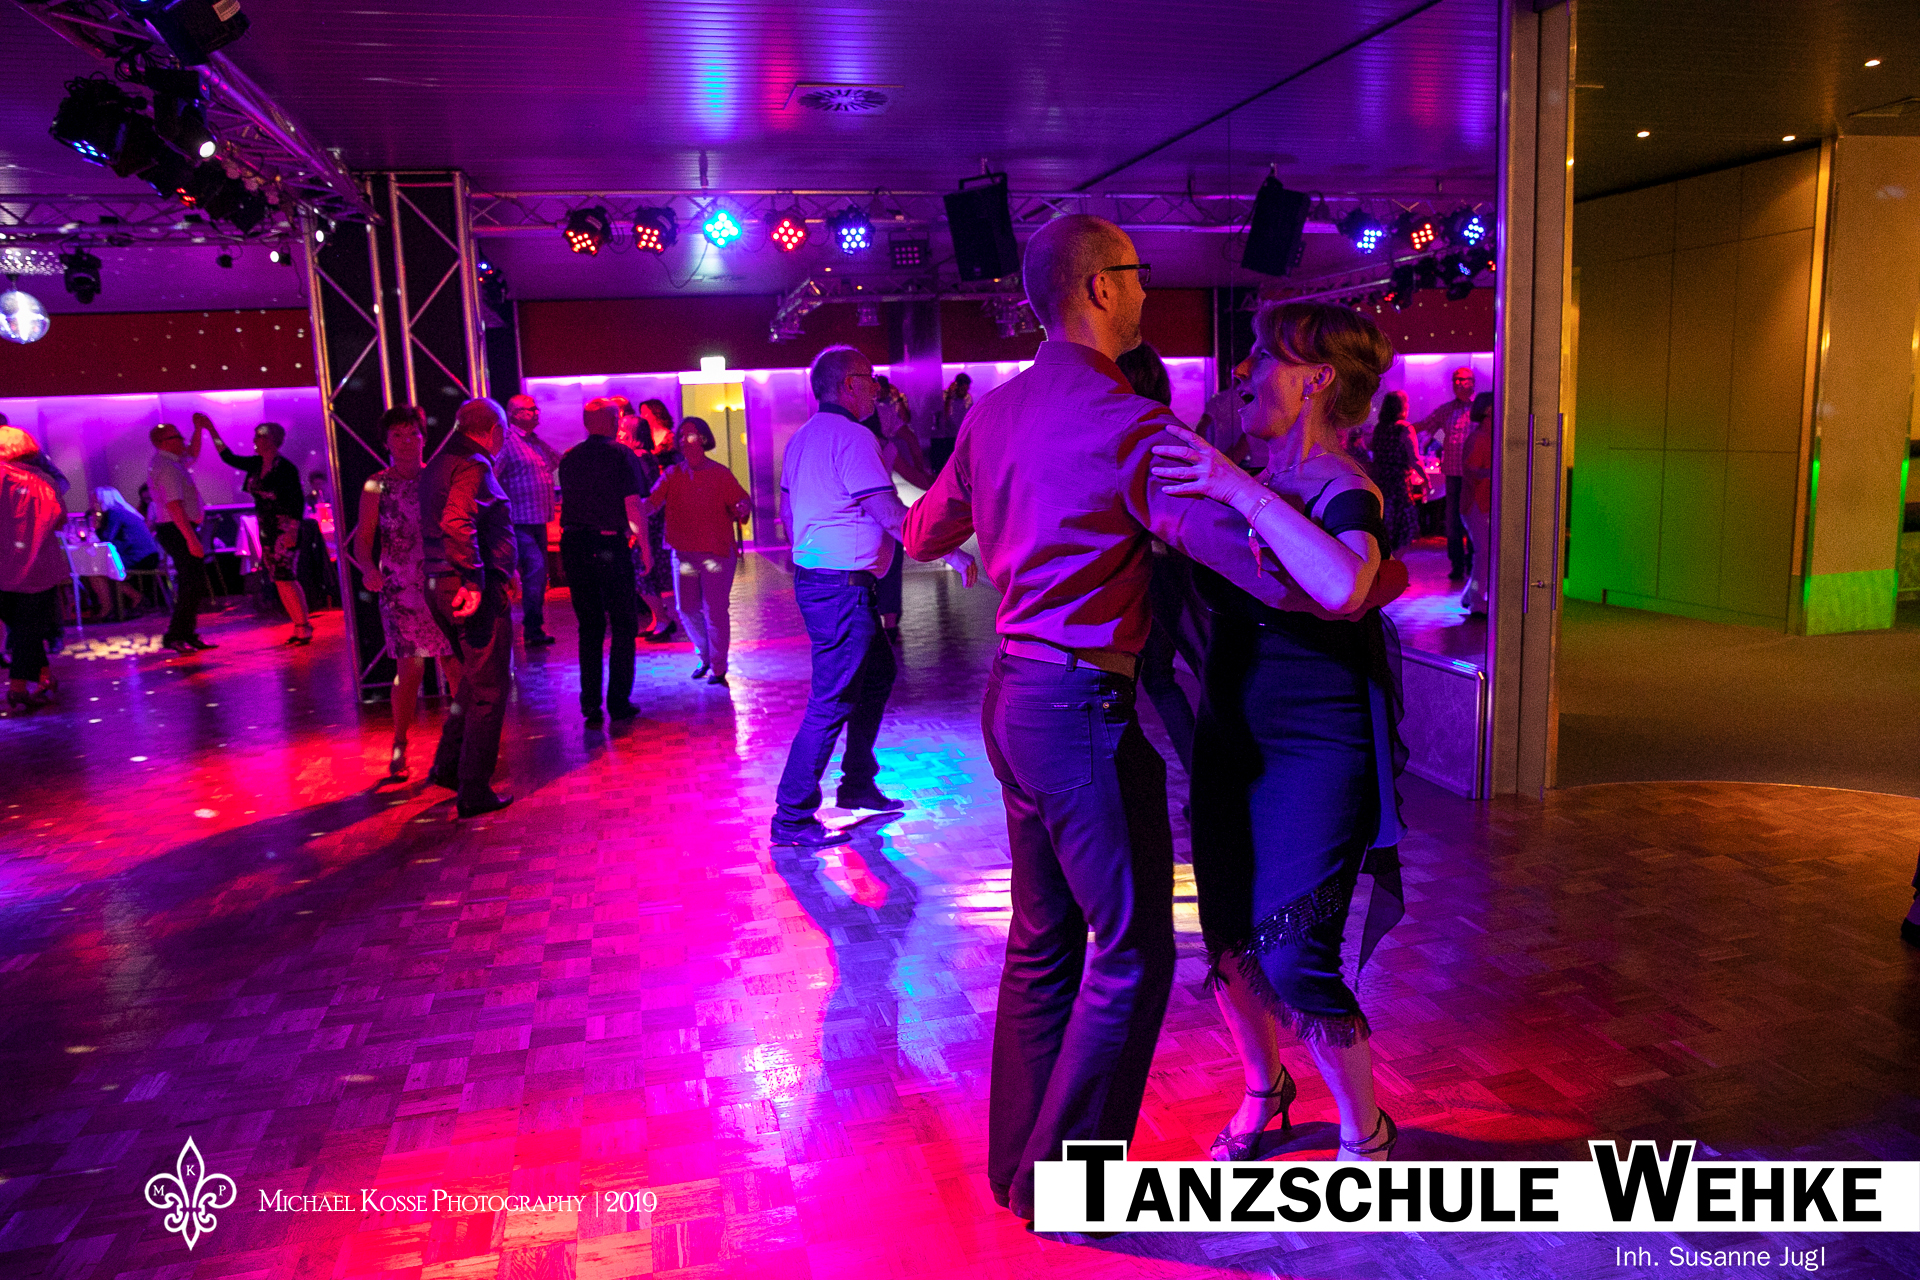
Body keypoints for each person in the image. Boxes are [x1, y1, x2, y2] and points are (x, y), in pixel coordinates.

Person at [900, 215, 1397, 1220]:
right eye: (1135, 274)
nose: (1144, 290)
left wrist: (1014, 533)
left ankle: (1018, 1169)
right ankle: (1061, 1183)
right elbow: (1264, 571)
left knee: (1043, 944)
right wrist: (1360, 579)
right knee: (1131, 952)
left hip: (1012, 699)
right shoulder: (1127, 422)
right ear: (1098, 288)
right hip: (1080, 707)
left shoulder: (993, 413)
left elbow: (920, 534)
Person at [1148, 299, 1410, 1165]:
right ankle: (1265, 1088)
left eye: (1264, 356)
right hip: (1231, 733)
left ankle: (1365, 1128)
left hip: (1317, 745)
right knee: (1225, 932)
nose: (1244, 371)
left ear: (1317, 380)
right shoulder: (1244, 473)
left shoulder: (1346, 485)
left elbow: (1342, 585)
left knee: (1296, 954)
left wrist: (1234, 486)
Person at [771, 346, 977, 848]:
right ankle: (792, 816)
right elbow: (889, 513)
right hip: (841, 590)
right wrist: (950, 554)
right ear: (848, 385)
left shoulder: (803, 438)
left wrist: (817, 554)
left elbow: (788, 512)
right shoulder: (853, 437)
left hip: (826, 583)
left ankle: (857, 784)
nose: (877, 389)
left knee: (877, 673)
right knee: (831, 701)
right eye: (870, 379)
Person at [345, 406, 459, 780]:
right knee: (409, 670)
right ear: (386, 442)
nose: (407, 442)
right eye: (398, 435)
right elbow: (363, 540)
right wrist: (369, 569)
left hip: (440, 581)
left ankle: (460, 742)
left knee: (454, 664)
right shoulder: (376, 485)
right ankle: (400, 742)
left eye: (413, 434)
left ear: (424, 438)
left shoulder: (440, 476)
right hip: (401, 588)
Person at [420, 397, 518, 818]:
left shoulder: (440, 463)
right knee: (490, 688)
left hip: (440, 582)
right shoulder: (473, 465)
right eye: (505, 432)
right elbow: (457, 523)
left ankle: (448, 767)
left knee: (473, 680)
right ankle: (473, 788)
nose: (505, 440)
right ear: (494, 430)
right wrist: (476, 580)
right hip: (464, 586)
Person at [1115, 341, 1201, 776]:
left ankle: (1211, 786)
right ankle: (1210, 786)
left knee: (1148, 680)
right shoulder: (1171, 432)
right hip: (1179, 567)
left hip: (1156, 569)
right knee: (1165, 678)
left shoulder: (1134, 437)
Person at [638, 416, 750, 686]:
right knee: (686, 608)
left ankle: (718, 667)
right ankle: (706, 656)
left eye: (689, 434)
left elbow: (741, 500)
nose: (683, 440)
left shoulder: (719, 473)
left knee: (715, 610)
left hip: (716, 553)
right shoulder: (673, 474)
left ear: (703, 439)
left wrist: (742, 508)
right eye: (681, 436)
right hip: (683, 554)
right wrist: (632, 507)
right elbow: (651, 503)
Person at [558, 398, 647, 723]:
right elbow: (633, 505)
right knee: (623, 623)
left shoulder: (569, 458)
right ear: (614, 422)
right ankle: (618, 702)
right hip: (609, 543)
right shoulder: (622, 455)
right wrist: (646, 549)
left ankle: (591, 704)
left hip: (575, 544)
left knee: (590, 625)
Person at [205, 413, 313, 645]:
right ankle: (299, 625)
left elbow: (297, 501)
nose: (255, 440)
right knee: (280, 578)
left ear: (271, 439)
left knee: (286, 576)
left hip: (284, 527)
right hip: (267, 527)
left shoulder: (285, 468)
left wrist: (293, 529)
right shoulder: (256, 464)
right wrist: (212, 431)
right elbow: (228, 457)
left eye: (259, 436)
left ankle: (303, 625)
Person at [0, 426, 68, 712]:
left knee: (20, 627)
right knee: (29, 628)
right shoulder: (43, 480)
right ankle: (18, 688)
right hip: (36, 566)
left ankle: (43, 677)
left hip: (2, 567)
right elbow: (60, 519)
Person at [863, 377, 935, 642]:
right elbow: (912, 464)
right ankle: (891, 626)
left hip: (860, 516)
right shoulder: (886, 446)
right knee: (891, 567)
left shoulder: (853, 443)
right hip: (886, 514)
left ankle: (874, 622)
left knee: (867, 572)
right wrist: (936, 484)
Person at [147, 417, 216, 655]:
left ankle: (186, 634)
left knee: (193, 583)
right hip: (177, 528)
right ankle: (176, 636)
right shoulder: (167, 467)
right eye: (177, 436)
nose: (182, 439)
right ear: (163, 442)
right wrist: (191, 539)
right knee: (191, 583)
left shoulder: (171, 462)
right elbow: (174, 506)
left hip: (177, 528)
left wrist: (199, 429)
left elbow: (192, 453)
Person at [497, 393, 561, 648]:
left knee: (538, 573)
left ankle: (534, 627)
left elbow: (556, 460)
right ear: (513, 414)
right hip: (519, 521)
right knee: (536, 570)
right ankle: (532, 628)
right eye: (529, 409)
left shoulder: (534, 440)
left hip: (538, 519)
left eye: (536, 408)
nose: (535, 413)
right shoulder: (507, 442)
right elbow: (491, 475)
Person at [618, 400, 679, 643]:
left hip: (645, 521)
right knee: (647, 571)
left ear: (632, 434)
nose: (618, 434)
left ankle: (662, 619)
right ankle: (659, 619)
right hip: (651, 520)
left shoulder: (638, 458)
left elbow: (641, 495)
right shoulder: (646, 456)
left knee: (641, 570)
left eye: (622, 430)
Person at [1415, 367, 1477, 579]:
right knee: (1453, 522)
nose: (1458, 383)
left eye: (1463, 379)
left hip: (1475, 476)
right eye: (1455, 380)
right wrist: (1400, 427)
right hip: (1453, 475)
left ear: (1472, 382)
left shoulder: (1480, 409)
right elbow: (1426, 424)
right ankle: (1457, 565)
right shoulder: (1447, 410)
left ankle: (1474, 564)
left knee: (1474, 520)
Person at [1365, 390, 1423, 555]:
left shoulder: (1379, 428)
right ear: (1401, 407)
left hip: (1381, 481)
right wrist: (1426, 479)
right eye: (1406, 403)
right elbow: (1415, 459)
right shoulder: (1405, 428)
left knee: (1385, 525)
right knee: (1404, 528)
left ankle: (1384, 562)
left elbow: (1373, 450)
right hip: (1399, 485)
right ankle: (1394, 562)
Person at [92, 486, 163, 618]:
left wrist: (97, 522)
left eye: (95, 500)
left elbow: (107, 538)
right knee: (105, 568)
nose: (93, 504)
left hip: (140, 557)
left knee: (97, 571)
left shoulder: (115, 513)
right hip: (149, 556)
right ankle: (131, 599)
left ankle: (109, 609)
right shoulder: (126, 511)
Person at [1459, 391, 1496, 615]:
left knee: (1484, 552)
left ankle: (1470, 595)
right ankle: (1476, 600)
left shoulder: (1485, 437)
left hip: (1479, 503)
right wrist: (1495, 472)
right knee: (1483, 553)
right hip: (1476, 503)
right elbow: (1470, 469)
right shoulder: (1480, 439)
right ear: (1489, 411)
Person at [928, 372, 971, 476]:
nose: (965, 392)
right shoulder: (944, 396)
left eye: (967, 389)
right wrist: (949, 397)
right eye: (962, 389)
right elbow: (944, 418)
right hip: (943, 436)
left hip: (959, 435)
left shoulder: (967, 397)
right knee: (942, 466)